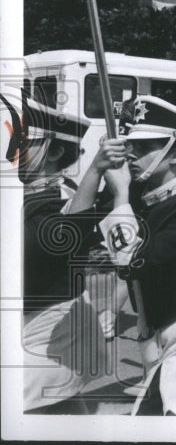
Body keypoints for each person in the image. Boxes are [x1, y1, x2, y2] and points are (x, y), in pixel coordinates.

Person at [67, 96, 176, 415]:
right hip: (161, 331)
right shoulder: (140, 196)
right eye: (130, 143)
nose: (131, 154)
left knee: (173, 420)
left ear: (175, 154)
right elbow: (71, 234)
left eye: (144, 146)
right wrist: (96, 169)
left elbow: (133, 263)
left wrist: (121, 195)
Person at [16, 93, 108, 413]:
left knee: (33, 405)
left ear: (54, 150)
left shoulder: (62, 196)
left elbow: (49, 241)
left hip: (52, 324)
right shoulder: (29, 193)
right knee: (56, 407)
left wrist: (96, 170)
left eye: (23, 141)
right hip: (35, 321)